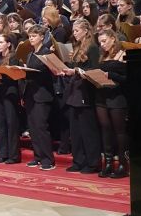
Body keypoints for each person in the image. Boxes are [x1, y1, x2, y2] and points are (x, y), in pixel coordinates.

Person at [62, 18, 102, 174]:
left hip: (86, 91)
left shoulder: (92, 47)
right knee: (76, 131)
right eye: (73, 30)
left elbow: (95, 69)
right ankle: (78, 161)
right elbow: (74, 68)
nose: (74, 33)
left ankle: (92, 163)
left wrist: (76, 71)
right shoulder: (77, 46)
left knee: (88, 130)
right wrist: (67, 69)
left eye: (77, 30)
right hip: (75, 92)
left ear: (86, 31)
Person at [22, 25, 56, 170]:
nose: (31, 38)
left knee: (41, 127)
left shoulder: (47, 53)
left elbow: (47, 73)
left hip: (42, 94)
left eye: (34, 36)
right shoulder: (30, 54)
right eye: (30, 36)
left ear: (42, 37)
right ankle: (38, 156)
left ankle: (48, 159)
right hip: (30, 94)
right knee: (33, 127)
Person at [96, 29, 128, 179]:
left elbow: (128, 78)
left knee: (119, 131)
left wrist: (111, 75)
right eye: (100, 42)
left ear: (113, 39)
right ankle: (108, 163)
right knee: (106, 129)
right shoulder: (103, 55)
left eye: (104, 41)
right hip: (102, 96)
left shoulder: (122, 53)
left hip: (117, 96)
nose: (102, 45)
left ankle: (122, 164)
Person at [0, 34, 21, 164]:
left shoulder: (14, 57)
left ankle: (13, 155)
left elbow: (15, 76)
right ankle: (2, 153)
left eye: (1, 42)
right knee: (0, 123)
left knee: (11, 123)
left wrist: (0, 76)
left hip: (10, 92)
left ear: (8, 44)